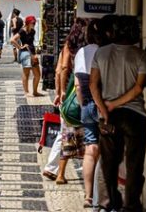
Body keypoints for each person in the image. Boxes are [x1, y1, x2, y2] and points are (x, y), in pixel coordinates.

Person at [90, 15, 146, 212]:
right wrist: (115, 104)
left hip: (109, 117)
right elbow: (139, 88)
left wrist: (105, 109)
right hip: (135, 116)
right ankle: (131, 206)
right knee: (134, 165)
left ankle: (110, 204)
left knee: (109, 163)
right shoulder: (140, 55)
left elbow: (93, 85)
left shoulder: (102, 53)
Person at [54, 18, 87, 185]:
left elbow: (62, 68)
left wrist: (61, 92)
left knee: (67, 133)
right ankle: (88, 171)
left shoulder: (70, 45)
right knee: (88, 135)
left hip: (72, 89)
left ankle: (60, 174)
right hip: (83, 88)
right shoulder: (88, 47)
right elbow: (64, 68)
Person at [73, 19, 102, 208]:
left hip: (87, 105)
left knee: (90, 151)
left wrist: (84, 104)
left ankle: (88, 195)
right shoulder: (105, 52)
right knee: (107, 150)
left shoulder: (81, 53)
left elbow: (77, 84)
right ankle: (103, 196)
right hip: (104, 104)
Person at [10, 15, 42, 97]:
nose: (34, 24)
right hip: (25, 53)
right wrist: (20, 47)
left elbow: (31, 42)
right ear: (28, 23)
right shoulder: (22, 31)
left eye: (34, 23)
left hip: (32, 53)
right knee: (26, 73)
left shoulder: (33, 31)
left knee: (37, 75)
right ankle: (26, 92)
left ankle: (35, 91)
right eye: (32, 23)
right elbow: (12, 40)